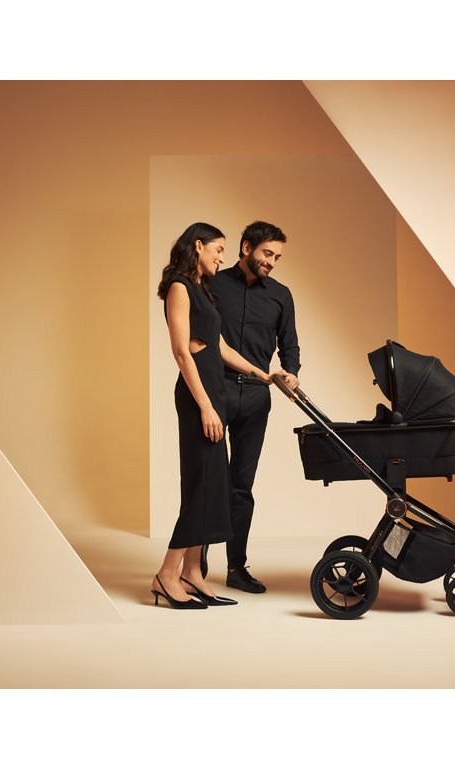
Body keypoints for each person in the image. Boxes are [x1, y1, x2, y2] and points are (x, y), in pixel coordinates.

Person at [152, 222, 272, 609]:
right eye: (218, 249)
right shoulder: (179, 288)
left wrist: (263, 374)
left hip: (213, 394)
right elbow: (181, 351)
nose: (223, 257)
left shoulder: (203, 290)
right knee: (202, 485)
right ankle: (166, 574)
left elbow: (219, 347)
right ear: (198, 246)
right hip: (196, 397)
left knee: (212, 485)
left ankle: (192, 572)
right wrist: (204, 405)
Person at [206, 220, 300, 593]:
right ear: (246, 247)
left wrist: (291, 373)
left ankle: (236, 568)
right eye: (267, 253)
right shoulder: (211, 284)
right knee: (209, 480)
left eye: (277, 257)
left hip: (258, 397)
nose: (272, 262)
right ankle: (195, 563)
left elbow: (290, 344)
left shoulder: (281, 295)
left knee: (241, 487)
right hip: (217, 392)